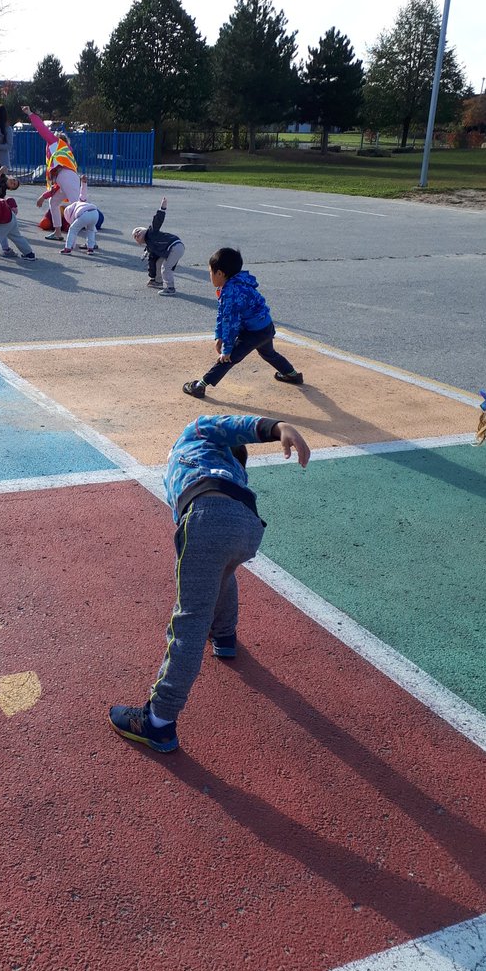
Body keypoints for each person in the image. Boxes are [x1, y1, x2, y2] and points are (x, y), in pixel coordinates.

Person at [109, 413, 311, 753]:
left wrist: (278, 428)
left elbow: (234, 425)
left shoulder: (196, 433)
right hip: (247, 526)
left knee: (189, 620)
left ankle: (158, 720)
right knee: (221, 573)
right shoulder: (233, 469)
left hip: (207, 513)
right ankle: (225, 635)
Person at [183, 247, 303, 398]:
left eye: (210, 272)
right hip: (266, 326)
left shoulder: (230, 293)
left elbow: (230, 321)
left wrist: (227, 347)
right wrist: (219, 335)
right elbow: (222, 314)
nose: (210, 276)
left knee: (228, 358)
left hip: (252, 333)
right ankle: (292, 374)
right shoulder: (238, 281)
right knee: (269, 353)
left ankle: (200, 386)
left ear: (220, 273)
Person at [21, 105, 80, 241]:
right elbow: (57, 186)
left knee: (79, 207)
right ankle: (58, 233)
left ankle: (91, 239)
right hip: (64, 179)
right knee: (54, 202)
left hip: (66, 177)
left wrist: (30, 114)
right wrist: (44, 196)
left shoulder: (56, 143)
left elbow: (42, 129)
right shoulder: (63, 153)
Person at [132, 197, 183, 296]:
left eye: (138, 230)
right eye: (135, 235)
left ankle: (170, 288)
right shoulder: (150, 246)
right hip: (173, 248)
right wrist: (152, 276)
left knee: (166, 268)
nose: (137, 233)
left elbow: (157, 221)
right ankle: (158, 282)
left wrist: (162, 208)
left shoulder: (151, 233)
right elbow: (152, 261)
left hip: (174, 246)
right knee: (159, 263)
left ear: (145, 230)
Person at [43, 174, 104, 255]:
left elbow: (73, 232)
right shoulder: (81, 201)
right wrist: (84, 183)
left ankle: (67, 249)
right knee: (90, 230)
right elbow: (83, 192)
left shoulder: (70, 213)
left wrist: (72, 245)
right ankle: (90, 249)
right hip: (95, 213)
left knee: (72, 230)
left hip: (84, 214)